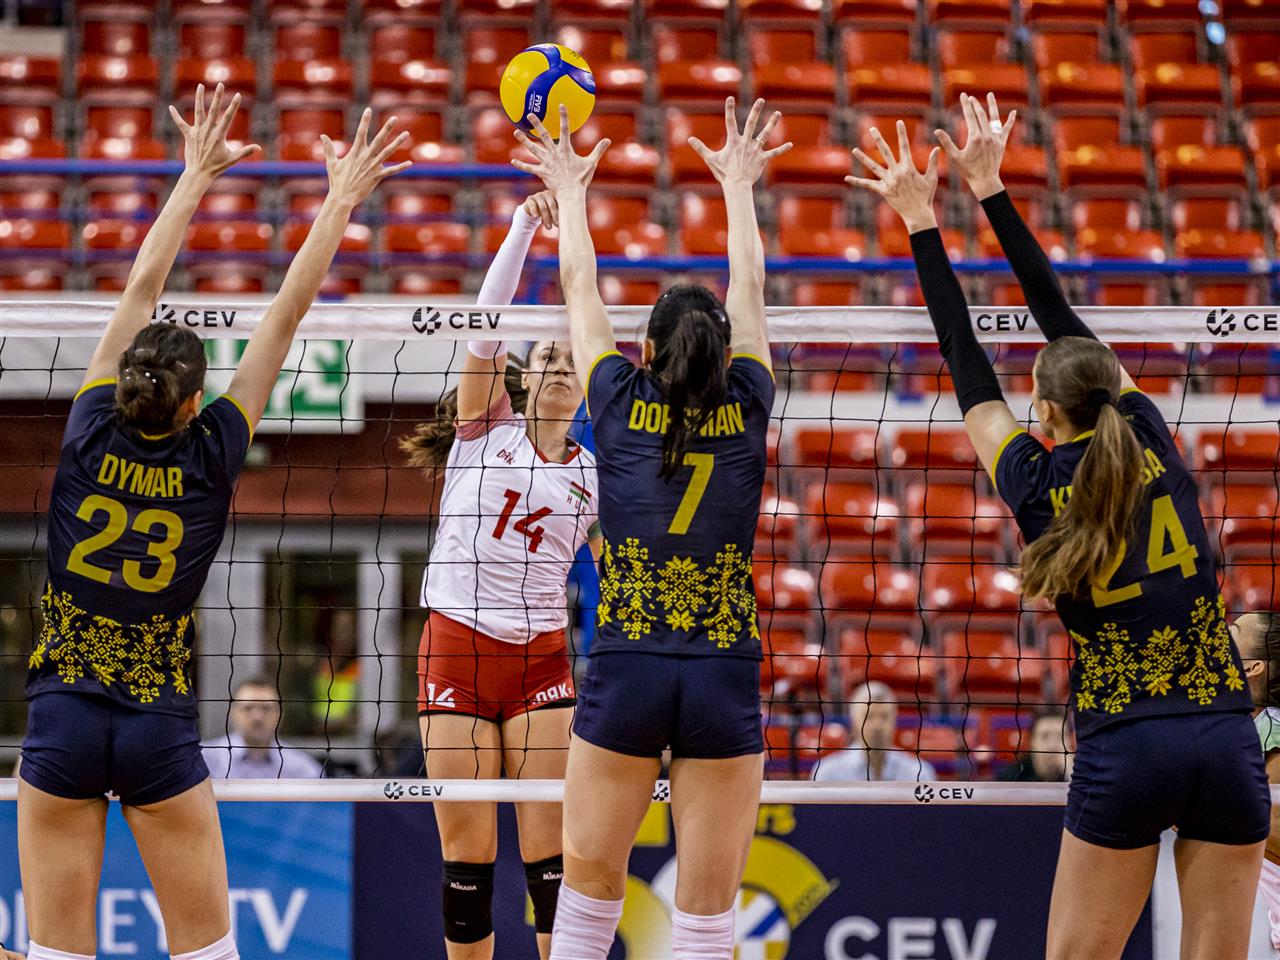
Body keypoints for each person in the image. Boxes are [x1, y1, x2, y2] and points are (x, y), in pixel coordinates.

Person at [846, 91, 1267, 960]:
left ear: (1041, 409)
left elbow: (963, 356)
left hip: (1127, 743)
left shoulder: (1035, 480)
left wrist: (923, 222)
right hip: (1224, 734)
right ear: (1108, 388)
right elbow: (1060, 314)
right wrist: (992, 190)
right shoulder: (1149, 432)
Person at [16, 86, 409, 960]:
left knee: (56, 957)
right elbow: (286, 315)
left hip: (63, 717)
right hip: (154, 724)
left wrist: (194, 173)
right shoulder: (214, 451)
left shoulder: (86, 428)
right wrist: (341, 197)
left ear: (125, 383)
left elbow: (141, 286)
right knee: (207, 954)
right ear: (196, 402)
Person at [511, 97, 790, 960]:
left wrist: (571, 190)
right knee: (706, 915)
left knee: (588, 895)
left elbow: (578, 286)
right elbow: (751, 288)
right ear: (723, 353)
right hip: (721, 665)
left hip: (630, 660)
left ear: (648, 350)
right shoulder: (750, 401)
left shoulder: (616, 397)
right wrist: (738, 187)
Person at [398, 190, 600, 960]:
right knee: (469, 860)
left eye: (572, 361)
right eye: (548, 357)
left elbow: (623, 568)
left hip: (541, 658)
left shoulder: (596, 475)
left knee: (551, 860)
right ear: (526, 373)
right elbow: (485, 327)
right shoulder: (485, 430)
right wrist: (521, 228)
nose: (561, 367)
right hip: (457, 647)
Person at [1233, 611, 1280, 953]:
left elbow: (1274, 829)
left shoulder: (1273, 729)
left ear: (1252, 667)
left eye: (1233, 633)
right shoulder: (1246, 729)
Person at [201, 676, 323, 779]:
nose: (257, 717)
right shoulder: (203, 762)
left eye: (266, 708)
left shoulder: (302, 769)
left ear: (280, 714)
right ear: (232, 713)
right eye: (248, 708)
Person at [812, 681, 937, 782]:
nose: (877, 726)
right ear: (854, 722)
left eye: (884, 717)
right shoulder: (828, 774)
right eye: (869, 716)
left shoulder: (919, 773)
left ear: (894, 721)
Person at [998, 709, 1072, 782]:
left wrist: (1071, 775)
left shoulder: (1076, 771)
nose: (1052, 746)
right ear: (1032, 742)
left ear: (1070, 741)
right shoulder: (1011, 777)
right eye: (1045, 736)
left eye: (1061, 736)